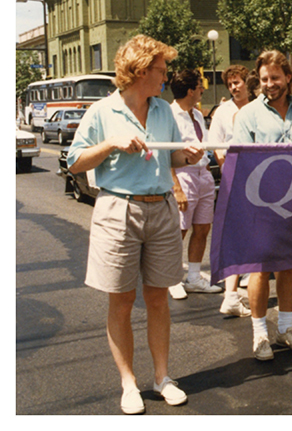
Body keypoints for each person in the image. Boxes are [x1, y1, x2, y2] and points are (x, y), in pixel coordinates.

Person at [67, 35, 205, 414]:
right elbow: (75, 162)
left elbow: (171, 159)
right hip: (117, 210)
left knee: (158, 298)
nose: (166, 77)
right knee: (122, 300)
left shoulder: (163, 112)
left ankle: (162, 377)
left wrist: (187, 157)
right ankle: (128, 382)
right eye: (161, 70)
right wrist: (111, 143)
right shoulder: (102, 112)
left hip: (160, 210)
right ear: (141, 70)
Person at [231, 50, 292, 360]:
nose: (270, 84)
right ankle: (259, 335)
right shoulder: (248, 115)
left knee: (289, 266)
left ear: (288, 78)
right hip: (260, 206)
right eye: (265, 79)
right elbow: (240, 160)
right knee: (261, 269)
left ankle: (285, 329)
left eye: (275, 78)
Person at [167, 69, 223, 299]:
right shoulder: (170, 115)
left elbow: (203, 145)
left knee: (202, 227)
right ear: (190, 90)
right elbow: (166, 154)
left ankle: (194, 277)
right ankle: (172, 279)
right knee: (179, 229)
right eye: (200, 86)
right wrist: (176, 187)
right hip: (183, 175)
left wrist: (207, 170)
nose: (202, 90)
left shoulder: (197, 114)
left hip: (202, 173)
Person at [208, 65, 253, 317]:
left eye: (238, 82)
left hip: (258, 179)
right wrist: (229, 172)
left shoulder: (259, 106)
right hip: (234, 178)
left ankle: (286, 279)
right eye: (231, 84)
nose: (234, 87)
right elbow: (215, 146)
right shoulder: (222, 112)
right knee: (235, 234)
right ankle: (231, 295)